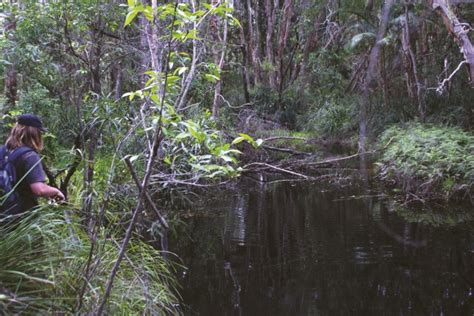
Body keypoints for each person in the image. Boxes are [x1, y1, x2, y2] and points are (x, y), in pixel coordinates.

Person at [1, 114, 64, 216]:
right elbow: (39, 189)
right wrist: (56, 192)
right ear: (34, 133)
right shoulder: (29, 156)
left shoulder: (2, 151)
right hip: (20, 218)